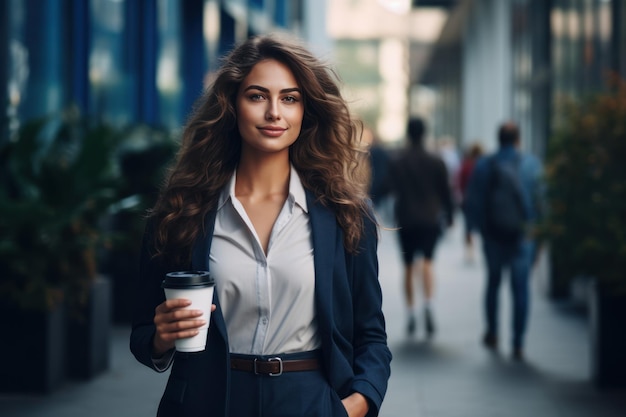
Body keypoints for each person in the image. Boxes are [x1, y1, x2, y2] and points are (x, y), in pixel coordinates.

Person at [130, 34, 392, 417]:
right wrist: (160, 338)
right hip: (209, 399)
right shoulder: (183, 210)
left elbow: (371, 336)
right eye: (257, 96)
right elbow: (142, 335)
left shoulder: (345, 215)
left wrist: (357, 404)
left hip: (308, 401)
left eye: (290, 98)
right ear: (232, 105)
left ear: (305, 111)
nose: (274, 112)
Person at [464, 121, 543, 361]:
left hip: (493, 234)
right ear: (518, 140)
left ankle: (493, 332)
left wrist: (472, 230)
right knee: (520, 289)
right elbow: (541, 202)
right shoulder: (531, 164)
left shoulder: (485, 164)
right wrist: (539, 237)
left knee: (493, 282)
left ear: (498, 140)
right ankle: (518, 342)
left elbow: (473, 200)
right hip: (522, 236)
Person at [388, 117, 454, 338]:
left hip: (406, 219)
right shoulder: (436, 161)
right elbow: (446, 192)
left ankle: (410, 312)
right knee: (427, 261)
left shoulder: (398, 161)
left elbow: (388, 187)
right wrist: (451, 215)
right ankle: (428, 304)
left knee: (407, 266)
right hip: (429, 218)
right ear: (424, 134)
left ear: (408, 134)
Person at [457, 142, 484, 262]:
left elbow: (460, 182)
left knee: (468, 228)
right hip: (481, 201)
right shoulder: (484, 165)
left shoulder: (466, 165)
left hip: (468, 200)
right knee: (483, 226)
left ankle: (469, 251)